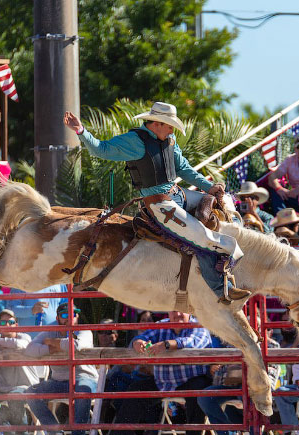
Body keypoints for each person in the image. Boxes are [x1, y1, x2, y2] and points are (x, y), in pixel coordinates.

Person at [65, 103, 250, 305]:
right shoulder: (135, 141)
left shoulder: (169, 140)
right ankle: (222, 289)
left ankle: (240, 248)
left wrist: (208, 187)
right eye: (169, 126)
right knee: (199, 237)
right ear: (157, 124)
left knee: (225, 201)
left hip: (178, 194)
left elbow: (184, 169)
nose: (172, 130)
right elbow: (101, 149)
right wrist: (80, 130)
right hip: (159, 205)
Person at [110, 311, 212, 435]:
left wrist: (166, 344)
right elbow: (143, 337)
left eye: (182, 310)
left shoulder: (199, 325)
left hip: (191, 379)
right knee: (136, 390)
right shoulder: (160, 325)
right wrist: (138, 342)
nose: (178, 313)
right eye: (174, 310)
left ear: (190, 311)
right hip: (164, 382)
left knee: (197, 391)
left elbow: (193, 343)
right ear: (168, 312)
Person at [24, 302, 98, 435]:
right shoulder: (49, 331)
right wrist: (50, 350)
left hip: (84, 377)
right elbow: (29, 349)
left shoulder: (84, 331)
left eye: (73, 314)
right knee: (31, 393)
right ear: (58, 318)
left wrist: (53, 342)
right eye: (65, 315)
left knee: (83, 390)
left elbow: (77, 346)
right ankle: (55, 432)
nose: (69, 318)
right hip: (59, 381)